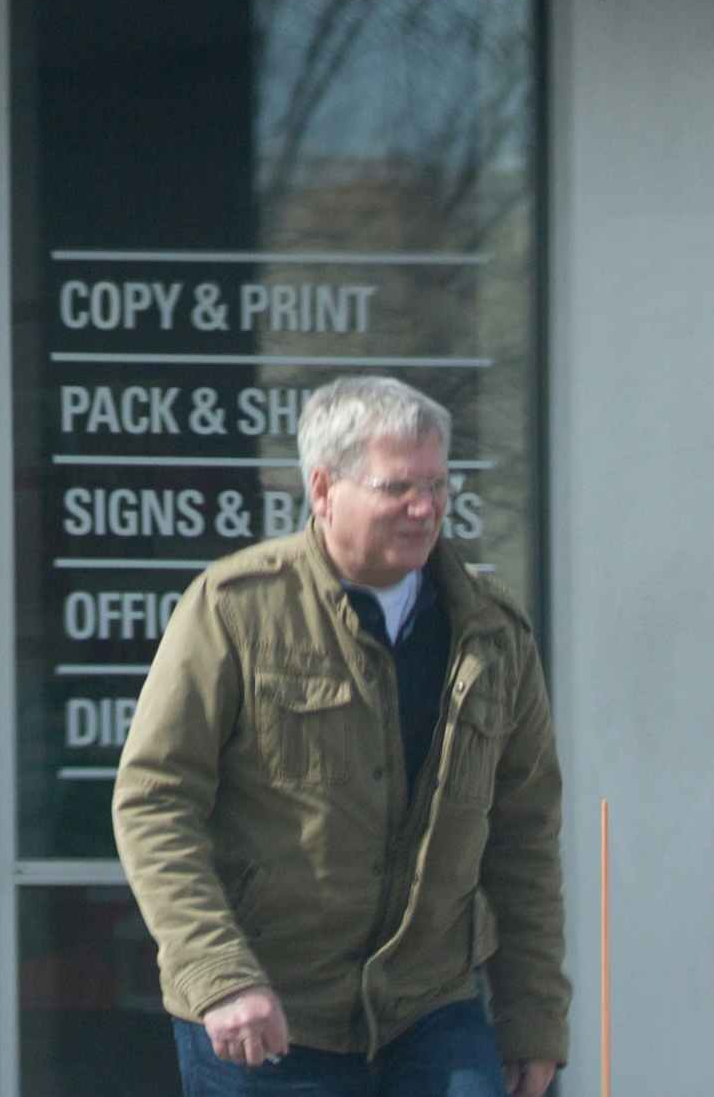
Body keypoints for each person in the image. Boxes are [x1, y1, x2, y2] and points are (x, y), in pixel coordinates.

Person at [114, 372, 568, 1096]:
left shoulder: (492, 632)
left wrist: (533, 1017)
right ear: (323, 491)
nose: (425, 508)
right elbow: (154, 803)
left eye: (437, 485)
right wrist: (220, 975)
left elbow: (525, 835)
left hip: (432, 1008)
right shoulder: (235, 610)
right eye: (397, 488)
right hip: (268, 1012)